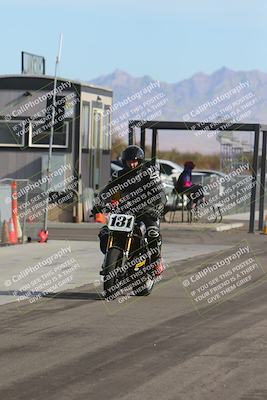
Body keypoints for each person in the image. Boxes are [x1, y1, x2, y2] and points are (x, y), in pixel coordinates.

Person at [94, 145, 167, 276]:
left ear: (140, 161)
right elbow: (107, 191)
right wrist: (99, 204)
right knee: (105, 232)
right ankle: (113, 257)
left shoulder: (149, 173)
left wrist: (158, 207)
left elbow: (160, 193)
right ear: (124, 162)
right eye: (129, 161)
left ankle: (156, 260)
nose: (132, 164)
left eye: (135, 161)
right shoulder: (118, 174)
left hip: (146, 211)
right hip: (124, 211)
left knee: (152, 232)